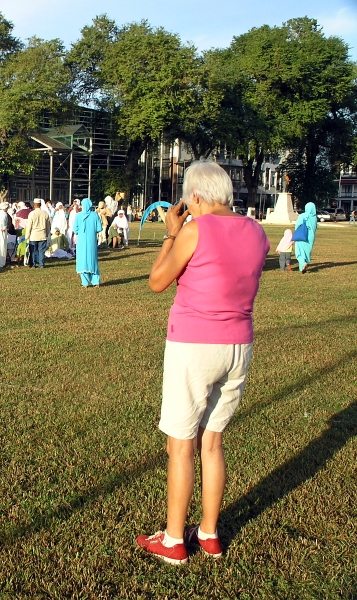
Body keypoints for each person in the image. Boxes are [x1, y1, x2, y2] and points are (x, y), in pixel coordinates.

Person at [137, 161, 269, 565]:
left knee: (181, 446)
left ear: (195, 196)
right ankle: (209, 532)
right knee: (212, 443)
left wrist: (171, 233)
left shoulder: (195, 229)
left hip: (195, 342)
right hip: (238, 344)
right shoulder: (256, 231)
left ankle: (175, 539)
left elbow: (157, 281)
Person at [73, 198, 103, 288]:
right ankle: (96, 281)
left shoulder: (78, 216)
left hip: (81, 241)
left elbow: (75, 230)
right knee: (92, 259)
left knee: (82, 260)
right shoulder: (95, 215)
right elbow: (99, 228)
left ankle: (85, 283)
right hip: (92, 241)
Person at [25, 198, 50, 268]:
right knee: (41, 251)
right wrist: (47, 233)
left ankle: (33, 264)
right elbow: (48, 225)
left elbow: (29, 226)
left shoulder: (32, 214)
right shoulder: (45, 213)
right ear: (40, 205)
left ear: (34, 205)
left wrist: (27, 236)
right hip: (42, 234)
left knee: (33, 251)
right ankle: (41, 264)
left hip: (34, 235)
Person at [293, 202, 318, 273]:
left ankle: (303, 264)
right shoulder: (315, 218)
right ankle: (302, 268)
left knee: (299, 252)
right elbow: (315, 227)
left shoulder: (303, 215)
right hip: (311, 237)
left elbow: (297, 225)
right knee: (306, 252)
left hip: (302, 235)